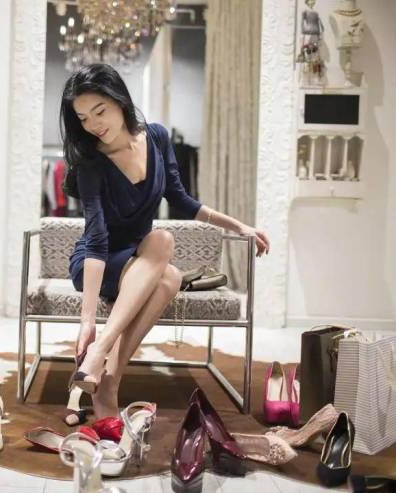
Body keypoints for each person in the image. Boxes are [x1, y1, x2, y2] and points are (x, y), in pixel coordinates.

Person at [61, 63, 270, 419]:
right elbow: (95, 240)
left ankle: (108, 379)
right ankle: (100, 357)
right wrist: (87, 322)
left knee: (168, 268)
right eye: (83, 118)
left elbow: (182, 199)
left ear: (120, 101)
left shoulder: (156, 138)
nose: (94, 124)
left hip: (142, 259)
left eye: (100, 111)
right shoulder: (90, 163)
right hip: (100, 261)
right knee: (162, 245)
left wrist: (240, 227)